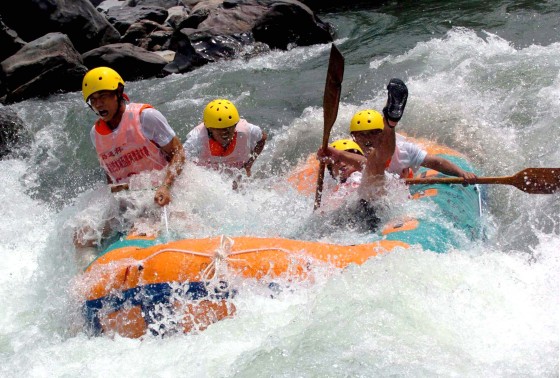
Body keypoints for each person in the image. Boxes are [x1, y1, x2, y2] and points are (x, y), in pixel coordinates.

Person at [76, 66, 186, 249]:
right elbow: (108, 171)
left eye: (103, 96)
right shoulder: (95, 134)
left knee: (143, 230)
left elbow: (179, 154)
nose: (98, 104)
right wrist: (114, 193)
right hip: (129, 200)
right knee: (82, 236)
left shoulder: (146, 117)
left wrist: (166, 186)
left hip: (161, 193)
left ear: (118, 92)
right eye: (93, 100)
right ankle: (86, 272)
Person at [350, 78, 477, 182]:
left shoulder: (404, 150)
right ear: (354, 137)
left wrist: (461, 172)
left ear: (381, 133)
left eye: (373, 133)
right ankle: (390, 123)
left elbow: (436, 162)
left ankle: (390, 123)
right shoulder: (349, 154)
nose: (367, 139)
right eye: (362, 135)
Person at [183, 99, 267, 186]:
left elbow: (262, 138)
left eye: (229, 128)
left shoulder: (246, 130)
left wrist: (249, 164)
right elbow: (179, 161)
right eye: (219, 129)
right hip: (207, 178)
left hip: (236, 171)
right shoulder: (197, 139)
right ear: (210, 128)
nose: (225, 132)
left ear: (235, 125)